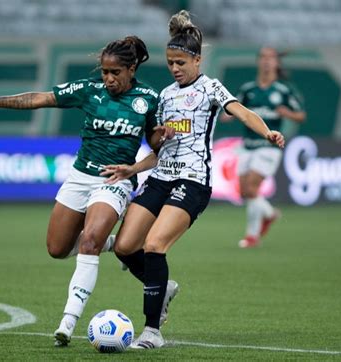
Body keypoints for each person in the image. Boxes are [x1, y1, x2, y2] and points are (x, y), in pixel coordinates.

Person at [0, 36, 174, 347]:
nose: (108, 78)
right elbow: (39, 98)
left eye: (115, 72)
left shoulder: (148, 98)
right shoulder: (90, 91)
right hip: (79, 177)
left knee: (88, 242)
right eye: (104, 72)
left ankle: (67, 322)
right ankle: (116, 245)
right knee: (57, 248)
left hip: (114, 180)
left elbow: (156, 149)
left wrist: (158, 140)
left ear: (131, 69)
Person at [99, 10, 285, 349]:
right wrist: (134, 167)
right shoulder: (166, 96)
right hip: (160, 178)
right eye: (170, 62)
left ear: (197, 60)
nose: (175, 68)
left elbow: (241, 111)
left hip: (193, 181)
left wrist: (267, 131)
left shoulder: (210, 88)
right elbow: (159, 150)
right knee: (125, 247)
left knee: (155, 246)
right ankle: (164, 287)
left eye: (181, 62)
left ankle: (152, 331)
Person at [222, 47, 306, 248]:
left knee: (251, 188)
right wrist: (226, 114)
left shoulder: (284, 90)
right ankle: (268, 214)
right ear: (259, 61)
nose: (267, 61)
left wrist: (287, 113)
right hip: (247, 146)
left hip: (268, 147)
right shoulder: (248, 89)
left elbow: (301, 115)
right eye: (264, 57)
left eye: (271, 58)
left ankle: (252, 235)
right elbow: (233, 108)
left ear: (277, 63)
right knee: (244, 192)